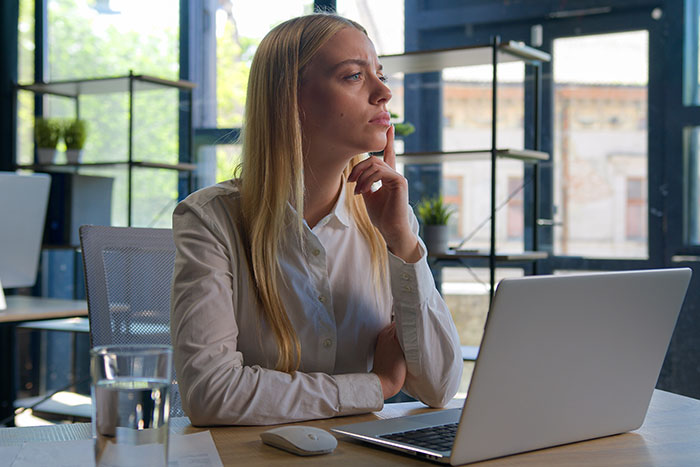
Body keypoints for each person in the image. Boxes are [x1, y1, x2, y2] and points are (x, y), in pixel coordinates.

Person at [170, 12, 462, 426]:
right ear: (292, 98)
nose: (383, 92)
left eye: (378, 74)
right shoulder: (209, 220)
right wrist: (376, 385)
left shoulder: (387, 217)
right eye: (353, 77)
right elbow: (211, 393)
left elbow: (439, 387)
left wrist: (403, 243)